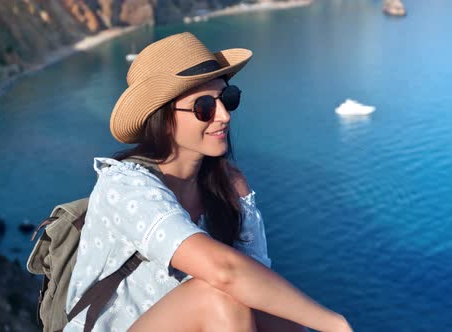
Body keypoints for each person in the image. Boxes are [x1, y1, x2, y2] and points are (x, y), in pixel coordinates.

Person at [64, 32, 354, 332]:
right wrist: (336, 324)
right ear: (162, 118)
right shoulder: (125, 186)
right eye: (204, 107)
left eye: (228, 99)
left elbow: (258, 289)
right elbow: (225, 272)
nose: (224, 115)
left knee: (283, 318)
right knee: (219, 295)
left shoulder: (229, 187)